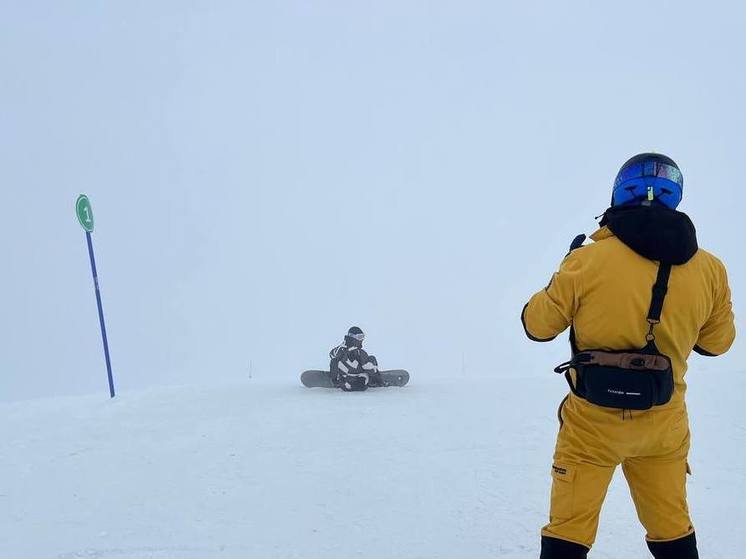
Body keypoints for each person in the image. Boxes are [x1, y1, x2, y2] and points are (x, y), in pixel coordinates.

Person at [522, 153, 736, 559]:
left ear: (619, 193)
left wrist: (564, 268)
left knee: (568, 532)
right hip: (664, 424)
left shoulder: (587, 259)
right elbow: (717, 343)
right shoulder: (711, 269)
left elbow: (538, 326)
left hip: (591, 425)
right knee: (671, 529)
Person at [329, 326, 383, 391]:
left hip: (344, 385)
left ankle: (335, 381)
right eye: (360, 337)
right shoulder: (359, 352)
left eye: (363, 337)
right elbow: (367, 367)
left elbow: (332, 354)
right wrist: (378, 378)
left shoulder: (341, 350)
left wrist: (342, 347)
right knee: (372, 358)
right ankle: (376, 382)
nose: (362, 339)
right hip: (361, 384)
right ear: (353, 337)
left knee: (334, 360)